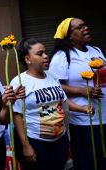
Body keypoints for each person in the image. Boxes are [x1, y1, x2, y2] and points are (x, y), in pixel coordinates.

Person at [11, 38, 92, 170]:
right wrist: (25, 145)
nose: (46, 56)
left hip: (60, 139)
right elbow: (17, 115)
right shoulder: (19, 81)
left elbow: (64, 101)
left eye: (45, 52)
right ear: (27, 59)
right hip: (36, 141)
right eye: (40, 53)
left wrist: (82, 108)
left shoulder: (52, 76)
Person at [49, 17, 106, 170]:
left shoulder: (96, 50)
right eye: (80, 27)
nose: (86, 28)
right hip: (84, 119)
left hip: (104, 116)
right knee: (88, 161)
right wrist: (82, 91)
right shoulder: (63, 56)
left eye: (85, 25)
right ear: (70, 36)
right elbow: (55, 86)